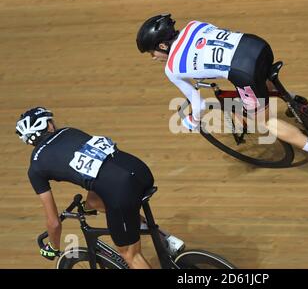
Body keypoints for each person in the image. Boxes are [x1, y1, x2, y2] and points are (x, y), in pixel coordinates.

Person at [136, 14, 308, 175]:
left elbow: (198, 105)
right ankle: (292, 98)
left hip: (243, 71)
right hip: (258, 45)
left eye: (151, 53)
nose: (154, 58)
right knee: (260, 78)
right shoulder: (193, 25)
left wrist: (193, 120)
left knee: (265, 121)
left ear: (162, 46)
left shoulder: (172, 68)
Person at [15, 107, 182, 268]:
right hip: (139, 169)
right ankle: (165, 239)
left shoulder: (35, 168)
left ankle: (154, 239)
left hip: (121, 189)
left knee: (131, 255)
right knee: (96, 203)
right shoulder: (69, 131)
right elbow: (98, 166)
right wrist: (89, 205)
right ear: (49, 125)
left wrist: (53, 247)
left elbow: (54, 223)